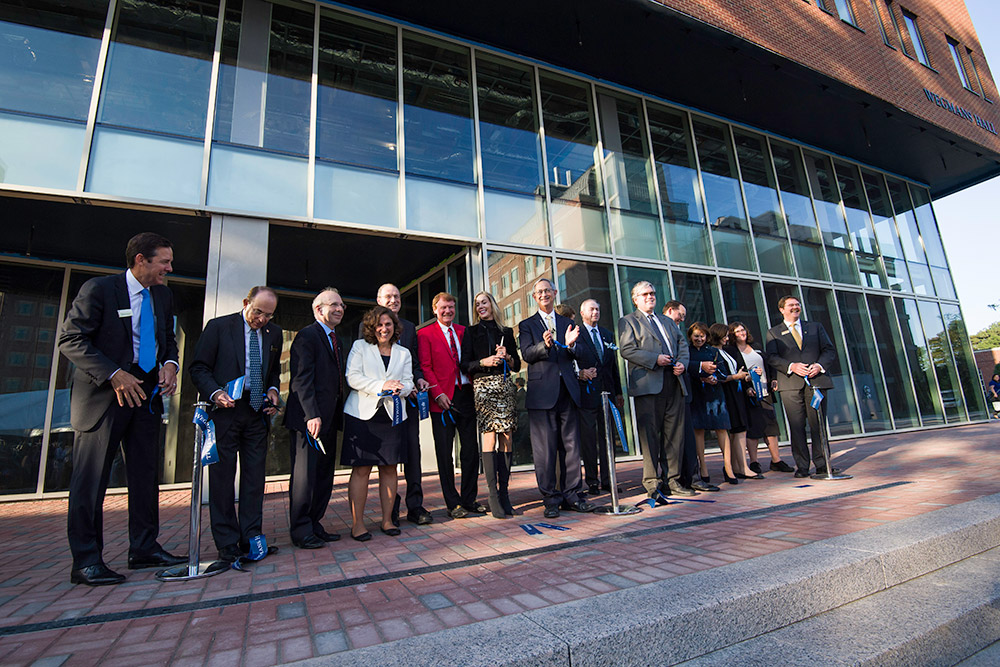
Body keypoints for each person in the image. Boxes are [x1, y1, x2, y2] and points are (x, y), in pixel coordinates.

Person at [59, 232, 186, 585]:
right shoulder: (99, 290)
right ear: (140, 260)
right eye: (164, 261)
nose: (169, 268)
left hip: (145, 397)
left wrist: (170, 365)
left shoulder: (163, 295)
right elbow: (70, 340)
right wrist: (114, 374)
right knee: (91, 481)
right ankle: (86, 561)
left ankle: (144, 547)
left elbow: (168, 339)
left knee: (145, 476)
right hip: (104, 398)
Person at [189, 286, 282, 563]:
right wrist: (215, 393)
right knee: (222, 479)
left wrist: (274, 389)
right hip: (226, 411)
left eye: (268, 315)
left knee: (254, 480)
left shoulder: (273, 333)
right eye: (258, 312)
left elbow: (273, 369)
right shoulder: (219, 327)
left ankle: (251, 537)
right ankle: (227, 542)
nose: (262, 319)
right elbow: (199, 368)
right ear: (246, 303)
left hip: (257, 411)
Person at [518, 278, 595, 518]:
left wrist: (571, 346)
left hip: (568, 391)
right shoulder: (527, 324)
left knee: (572, 447)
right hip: (542, 395)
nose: (544, 295)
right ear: (534, 297)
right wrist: (546, 344)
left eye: (547, 291)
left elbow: (582, 352)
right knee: (545, 450)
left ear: (554, 293)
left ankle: (572, 494)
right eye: (539, 292)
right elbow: (528, 354)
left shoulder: (567, 322)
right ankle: (551, 498)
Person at [342, 306, 414, 540]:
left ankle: (386, 520)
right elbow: (352, 377)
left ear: (395, 327)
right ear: (372, 327)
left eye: (388, 324)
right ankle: (357, 524)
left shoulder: (403, 353)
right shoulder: (360, 347)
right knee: (362, 470)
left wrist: (401, 388)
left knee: (390, 468)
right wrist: (382, 386)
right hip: (363, 415)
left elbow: (410, 382)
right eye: (379, 325)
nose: (384, 329)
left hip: (392, 416)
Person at [618, 281, 694, 500]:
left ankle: (673, 480)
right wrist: (654, 359)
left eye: (652, 293)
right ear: (636, 299)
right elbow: (627, 349)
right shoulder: (628, 321)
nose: (650, 296)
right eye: (645, 294)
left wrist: (682, 363)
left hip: (674, 381)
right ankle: (652, 482)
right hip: (649, 384)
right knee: (650, 435)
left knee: (674, 434)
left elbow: (682, 345)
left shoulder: (667, 321)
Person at [283, 288, 346, 549]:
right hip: (309, 420)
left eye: (342, 305)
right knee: (305, 477)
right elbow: (301, 379)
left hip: (330, 419)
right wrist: (312, 414)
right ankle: (300, 530)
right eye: (334, 305)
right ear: (318, 309)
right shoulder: (307, 336)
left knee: (323, 475)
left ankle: (314, 522)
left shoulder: (336, 339)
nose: (340, 309)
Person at [418, 292, 486, 518]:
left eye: (451, 307)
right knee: (444, 454)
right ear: (434, 309)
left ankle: (469, 499)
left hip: (466, 395)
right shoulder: (425, 334)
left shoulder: (464, 331)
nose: (447, 311)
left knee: (470, 451)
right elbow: (425, 367)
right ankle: (452, 503)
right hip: (442, 400)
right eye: (443, 308)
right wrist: (436, 394)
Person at [372, 283, 433, 527]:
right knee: (388, 457)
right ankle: (391, 509)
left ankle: (415, 506)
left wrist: (418, 378)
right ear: (379, 300)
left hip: (407, 401)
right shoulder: (367, 326)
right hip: (382, 403)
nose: (394, 300)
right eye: (388, 296)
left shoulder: (409, 327)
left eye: (396, 296)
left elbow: (415, 361)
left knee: (412, 453)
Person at [460, 291, 521, 518]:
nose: (480, 307)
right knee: (490, 436)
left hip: (504, 385)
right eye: (477, 304)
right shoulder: (471, 331)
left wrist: (507, 357)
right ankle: (492, 495)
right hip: (483, 387)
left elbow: (516, 365)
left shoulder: (506, 332)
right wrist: (483, 362)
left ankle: (504, 493)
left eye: (484, 302)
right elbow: (464, 364)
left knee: (507, 436)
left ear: (492, 304)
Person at [765, 295, 838, 478]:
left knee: (818, 424)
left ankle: (823, 464)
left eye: (797, 304)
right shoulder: (773, 332)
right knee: (797, 427)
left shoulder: (815, 327)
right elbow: (772, 357)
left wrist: (819, 366)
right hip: (790, 385)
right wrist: (792, 367)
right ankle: (802, 466)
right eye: (791, 305)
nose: (795, 307)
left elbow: (829, 350)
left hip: (816, 383)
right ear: (782, 309)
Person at [663, 301, 718, 493]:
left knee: (688, 437)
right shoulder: (662, 330)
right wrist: (699, 366)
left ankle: (692, 477)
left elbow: (684, 360)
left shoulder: (677, 331)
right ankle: (678, 479)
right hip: (668, 391)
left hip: (684, 390)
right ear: (671, 311)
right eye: (681, 314)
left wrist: (702, 373)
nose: (683, 319)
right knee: (675, 439)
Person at [728, 321, 793, 474]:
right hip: (750, 394)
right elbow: (737, 371)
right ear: (732, 335)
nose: (741, 333)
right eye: (737, 331)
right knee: (754, 429)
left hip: (765, 391)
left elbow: (768, 364)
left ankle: (776, 460)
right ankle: (754, 462)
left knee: (771, 426)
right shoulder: (732, 351)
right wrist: (747, 387)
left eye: (742, 330)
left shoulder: (755, 346)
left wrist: (773, 378)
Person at [575, 298, 623, 496]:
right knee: (588, 440)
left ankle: (608, 479)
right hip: (587, 395)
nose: (595, 312)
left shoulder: (607, 334)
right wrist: (580, 373)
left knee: (608, 439)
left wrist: (618, 392)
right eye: (591, 309)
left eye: (597, 309)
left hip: (608, 394)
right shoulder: (576, 334)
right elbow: (571, 360)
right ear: (582, 313)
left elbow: (613, 366)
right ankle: (592, 481)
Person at [687, 322, 736, 484]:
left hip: (715, 393)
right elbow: (686, 370)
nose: (699, 339)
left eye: (702, 336)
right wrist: (701, 376)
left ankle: (728, 468)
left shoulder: (714, 351)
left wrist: (716, 378)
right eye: (696, 336)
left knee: (722, 428)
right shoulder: (687, 351)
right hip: (697, 394)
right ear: (691, 337)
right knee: (698, 430)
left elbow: (724, 372)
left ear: (707, 337)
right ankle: (703, 468)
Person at [711, 323, 761, 482]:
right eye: (725, 335)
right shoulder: (713, 352)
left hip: (737, 392)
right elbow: (720, 376)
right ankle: (737, 467)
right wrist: (736, 377)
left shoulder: (727, 351)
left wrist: (746, 377)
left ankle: (740, 466)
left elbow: (737, 370)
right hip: (726, 393)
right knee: (735, 429)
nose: (727, 338)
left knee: (740, 428)